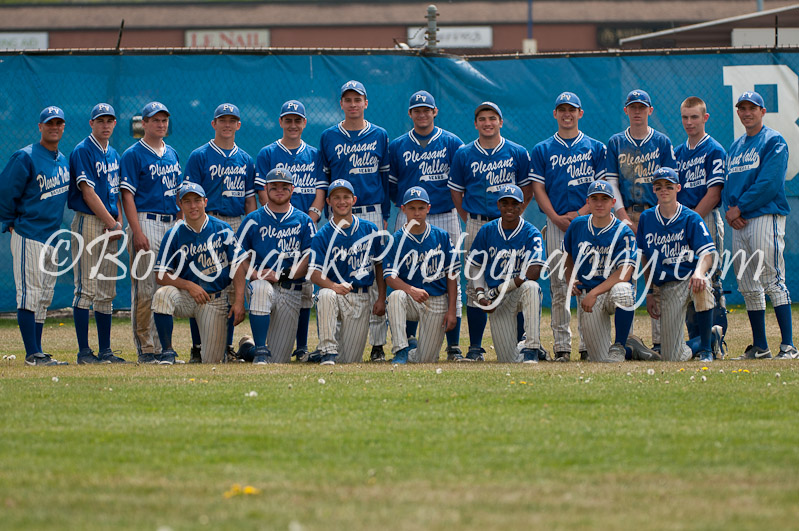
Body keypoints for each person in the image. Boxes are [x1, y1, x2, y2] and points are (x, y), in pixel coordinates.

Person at [448, 101, 533, 361]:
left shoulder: (516, 151)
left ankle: (521, 341)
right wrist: (469, 218)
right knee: (476, 284)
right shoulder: (464, 153)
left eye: (492, 118)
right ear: (475, 124)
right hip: (477, 222)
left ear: (500, 122)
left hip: (508, 223)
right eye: (482, 119)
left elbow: (526, 189)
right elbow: (456, 191)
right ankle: (475, 347)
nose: (487, 123)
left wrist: (515, 215)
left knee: (514, 279)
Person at [530, 91, 606, 362]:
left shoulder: (595, 148)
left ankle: (588, 345)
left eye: (572, 109)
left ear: (580, 113)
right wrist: (553, 216)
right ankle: (562, 346)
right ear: (555, 114)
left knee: (586, 281)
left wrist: (581, 213)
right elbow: (537, 187)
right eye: (562, 109)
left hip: (587, 224)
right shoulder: (542, 149)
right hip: (555, 224)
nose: (567, 114)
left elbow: (601, 189)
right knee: (559, 285)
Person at [388, 90, 464, 360]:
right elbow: (393, 185)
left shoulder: (452, 142)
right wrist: (407, 208)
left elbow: (459, 181)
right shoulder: (397, 145)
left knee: (450, 273)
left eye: (426, 109)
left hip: (443, 212)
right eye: (417, 110)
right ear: (410, 114)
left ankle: (453, 344)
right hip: (409, 211)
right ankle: (407, 339)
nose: (422, 114)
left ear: (435, 112)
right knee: (406, 273)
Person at [318, 80, 390, 361]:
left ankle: (377, 344)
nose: (352, 104)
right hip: (338, 212)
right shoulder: (328, 136)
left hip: (370, 209)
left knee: (372, 277)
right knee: (337, 273)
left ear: (365, 103)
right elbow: (324, 179)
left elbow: (384, 177)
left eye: (357, 99)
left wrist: (383, 216)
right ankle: (332, 340)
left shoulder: (380, 135)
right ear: (341, 104)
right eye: (347, 100)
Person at [724, 91, 796, 360]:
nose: (746, 113)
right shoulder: (736, 145)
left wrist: (739, 208)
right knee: (748, 283)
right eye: (742, 108)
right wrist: (731, 213)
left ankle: (788, 345)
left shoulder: (773, 141)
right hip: (740, 221)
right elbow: (729, 184)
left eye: (752, 108)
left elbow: (769, 182)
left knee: (772, 279)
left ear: (762, 111)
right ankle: (760, 346)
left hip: (765, 215)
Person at [183, 103, 256, 363]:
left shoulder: (246, 159)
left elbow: (249, 202)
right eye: (222, 120)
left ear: (238, 125)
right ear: (213, 124)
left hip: (236, 223)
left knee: (230, 288)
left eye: (232, 120)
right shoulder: (199, 156)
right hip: (208, 221)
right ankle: (197, 346)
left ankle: (224, 346)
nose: (227, 124)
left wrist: (248, 232)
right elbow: (187, 199)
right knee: (203, 283)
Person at [606, 89, 678, 353]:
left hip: (655, 211)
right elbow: (611, 181)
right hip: (626, 212)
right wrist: (622, 215)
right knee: (627, 276)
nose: (637, 111)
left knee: (658, 274)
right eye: (632, 107)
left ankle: (661, 342)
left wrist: (661, 214)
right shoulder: (616, 142)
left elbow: (669, 181)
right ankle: (627, 341)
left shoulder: (661, 141)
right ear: (626, 111)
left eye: (642, 107)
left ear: (650, 110)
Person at [255, 100, 327, 361]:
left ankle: (301, 345)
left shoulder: (315, 154)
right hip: (274, 225)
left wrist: (309, 218)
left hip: (305, 223)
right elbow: (264, 192)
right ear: (281, 122)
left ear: (304, 123)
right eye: (288, 120)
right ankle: (261, 340)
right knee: (272, 281)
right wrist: (277, 219)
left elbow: (320, 191)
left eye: (298, 120)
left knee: (305, 287)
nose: (293, 124)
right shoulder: (267, 153)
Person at [0, 106, 70, 365]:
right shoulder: (26, 156)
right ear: (40, 127)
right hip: (29, 234)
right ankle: (32, 354)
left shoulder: (62, 159)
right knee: (29, 294)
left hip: (51, 236)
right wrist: (9, 221)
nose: (54, 127)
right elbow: (5, 191)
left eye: (58, 123)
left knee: (44, 296)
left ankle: (38, 351)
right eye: (49, 123)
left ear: (63, 127)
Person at [562, 180, 658, 362]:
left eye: (604, 199)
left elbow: (625, 273)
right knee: (600, 359)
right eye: (595, 199)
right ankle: (632, 350)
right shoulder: (578, 225)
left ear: (613, 203)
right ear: (587, 202)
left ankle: (620, 345)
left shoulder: (623, 231)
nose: (599, 203)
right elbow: (567, 253)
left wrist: (595, 292)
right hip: (589, 295)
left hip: (610, 291)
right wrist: (570, 278)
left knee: (623, 290)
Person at [230, 168, 316, 364]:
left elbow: (310, 257)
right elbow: (238, 255)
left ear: (292, 189)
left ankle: (247, 349)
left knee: (278, 359)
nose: (279, 190)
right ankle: (259, 349)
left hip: (290, 290)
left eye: (284, 187)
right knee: (260, 287)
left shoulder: (304, 221)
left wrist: (283, 275)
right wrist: (253, 274)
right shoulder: (253, 219)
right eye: (274, 186)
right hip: (263, 287)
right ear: (266, 188)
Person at [120, 101, 182, 364]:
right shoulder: (133, 154)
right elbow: (127, 195)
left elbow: (180, 192)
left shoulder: (173, 153)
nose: (160, 124)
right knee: (144, 289)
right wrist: (136, 230)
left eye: (164, 120)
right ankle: (145, 348)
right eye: (154, 120)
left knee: (163, 287)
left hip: (170, 224)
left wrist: (180, 220)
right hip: (146, 220)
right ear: (143, 123)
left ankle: (162, 347)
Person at [637, 167, 717, 362]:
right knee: (672, 357)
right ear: (653, 190)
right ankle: (712, 336)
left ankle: (707, 349)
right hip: (668, 285)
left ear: (678, 188)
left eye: (669, 186)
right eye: (659, 186)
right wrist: (649, 292)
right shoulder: (647, 219)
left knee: (703, 286)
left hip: (691, 279)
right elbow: (645, 259)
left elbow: (708, 253)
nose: (664, 190)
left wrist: (699, 272)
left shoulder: (690, 217)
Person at [152, 183, 238, 364]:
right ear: (180, 205)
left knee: (212, 360)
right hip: (186, 297)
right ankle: (167, 352)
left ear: (205, 202)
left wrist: (239, 301)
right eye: (187, 201)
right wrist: (189, 286)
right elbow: (160, 275)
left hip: (214, 300)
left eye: (197, 200)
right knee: (162, 296)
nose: (193, 206)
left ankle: (246, 346)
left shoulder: (222, 228)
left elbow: (237, 266)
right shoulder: (173, 233)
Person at [67, 103, 126, 364]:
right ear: (91, 123)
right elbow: (88, 193)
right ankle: (83, 352)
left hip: (110, 223)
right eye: (100, 120)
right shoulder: (83, 150)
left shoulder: (113, 153)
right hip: (89, 223)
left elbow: (116, 193)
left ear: (114, 124)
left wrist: (118, 222)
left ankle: (105, 351)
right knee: (86, 289)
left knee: (106, 291)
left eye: (109, 120)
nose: (105, 125)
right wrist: (112, 223)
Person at [308, 179, 386, 365]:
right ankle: (327, 351)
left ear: (354, 200)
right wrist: (333, 286)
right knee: (325, 295)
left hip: (361, 297)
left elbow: (379, 267)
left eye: (346, 197)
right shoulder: (322, 235)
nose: (341, 202)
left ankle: (323, 355)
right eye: (336, 197)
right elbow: (314, 273)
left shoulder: (370, 229)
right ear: (328, 202)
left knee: (350, 360)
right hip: (336, 294)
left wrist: (381, 298)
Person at [466, 184, 545, 363]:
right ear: (499, 205)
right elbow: (476, 265)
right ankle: (528, 349)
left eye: (514, 203)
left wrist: (507, 285)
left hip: (517, 291)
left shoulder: (531, 233)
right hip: (497, 300)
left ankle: (531, 347)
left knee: (532, 287)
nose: (510, 207)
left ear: (521, 205)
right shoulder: (487, 230)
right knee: (507, 359)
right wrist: (480, 293)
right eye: (505, 203)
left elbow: (534, 271)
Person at [674, 96, 728, 359]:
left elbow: (714, 194)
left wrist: (691, 221)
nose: (689, 122)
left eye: (694, 117)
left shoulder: (714, 149)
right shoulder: (678, 152)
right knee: (688, 277)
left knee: (709, 278)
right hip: (684, 221)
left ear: (705, 118)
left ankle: (714, 337)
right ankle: (697, 339)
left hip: (704, 218)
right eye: (685, 117)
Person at [383, 187, 458, 363]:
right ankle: (401, 349)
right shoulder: (395, 239)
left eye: (421, 208)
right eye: (412, 208)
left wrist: (452, 309)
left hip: (437, 299)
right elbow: (389, 277)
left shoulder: (442, 236)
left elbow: (452, 275)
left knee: (426, 359)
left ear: (428, 209)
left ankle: (412, 351)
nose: (417, 213)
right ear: (403, 209)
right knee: (396, 297)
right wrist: (411, 290)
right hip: (410, 298)